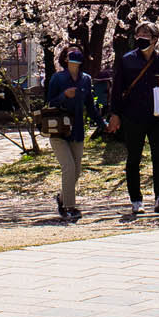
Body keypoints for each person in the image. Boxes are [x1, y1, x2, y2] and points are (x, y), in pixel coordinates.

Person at [107, 22, 159, 216]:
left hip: (157, 115)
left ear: (155, 39)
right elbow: (118, 88)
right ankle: (136, 200)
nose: (141, 37)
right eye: (139, 33)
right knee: (134, 158)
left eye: (146, 33)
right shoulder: (127, 60)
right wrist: (115, 113)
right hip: (133, 115)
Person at [46, 46, 105, 221]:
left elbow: (90, 106)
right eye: (71, 53)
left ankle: (62, 198)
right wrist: (64, 95)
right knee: (68, 167)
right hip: (59, 131)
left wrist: (102, 124)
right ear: (65, 58)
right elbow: (49, 103)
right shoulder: (57, 78)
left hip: (77, 130)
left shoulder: (85, 80)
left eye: (77, 52)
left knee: (76, 171)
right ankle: (69, 207)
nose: (75, 55)